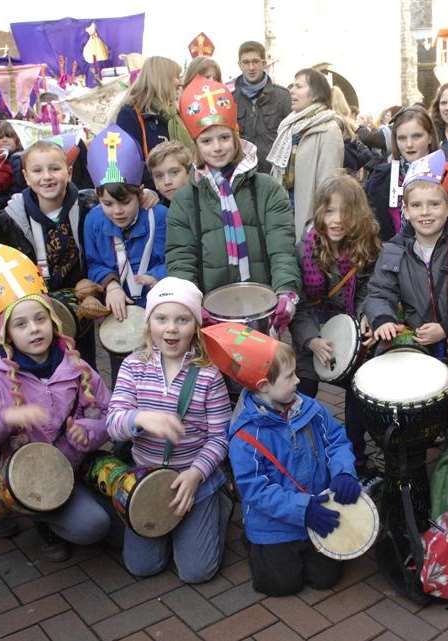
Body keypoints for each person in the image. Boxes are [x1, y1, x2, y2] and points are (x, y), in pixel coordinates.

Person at [0, 241, 112, 562]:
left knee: (115, 528)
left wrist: (90, 431)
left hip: (77, 464)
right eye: (21, 324)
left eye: (39, 319)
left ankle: (72, 502)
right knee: (93, 527)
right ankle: (42, 517)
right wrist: (5, 417)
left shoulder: (77, 367)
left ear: (53, 323)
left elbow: (109, 411)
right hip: (33, 476)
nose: (33, 329)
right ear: (7, 335)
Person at [206, 322, 359, 596]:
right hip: (274, 525)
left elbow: (336, 441)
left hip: (319, 508)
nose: (299, 380)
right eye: (290, 377)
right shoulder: (244, 435)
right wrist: (304, 510)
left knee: (325, 578)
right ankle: (254, 544)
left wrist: (344, 472)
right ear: (264, 385)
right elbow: (256, 490)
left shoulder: (310, 408)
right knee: (281, 585)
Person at [106, 277, 231, 581]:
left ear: (196, 326)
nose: (171, 328)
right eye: (161, 318)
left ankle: (219, 506)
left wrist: (197, 473)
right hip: (146, 480)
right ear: (148, 324)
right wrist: (141, 418)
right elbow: (112, 424)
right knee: (142, 567)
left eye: (182, 319)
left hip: (192, 479)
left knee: (196, 573)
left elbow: (220, 437)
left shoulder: (208, 374)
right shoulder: (133, 366)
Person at [165, 76, 301, 335]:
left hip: (263, 310)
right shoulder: (185, 200)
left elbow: (281, 249)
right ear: (196, 145)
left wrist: (286, 290)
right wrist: (191, 303)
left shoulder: (267, 189)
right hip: (211, 318)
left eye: (224, 138)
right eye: (206, 141)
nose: (217, 148)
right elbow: (181, 258)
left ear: (236, 136)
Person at [364, 149, 448, 357]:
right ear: (405, 210)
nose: (425, 212)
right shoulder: (393, 250)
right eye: (416, 205)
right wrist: (383, 318)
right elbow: (380, 292)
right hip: (417, 346)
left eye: (434, 204)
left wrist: (447, 327)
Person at [293, 174, 380, 474]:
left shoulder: (366, 243)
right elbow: (299, 303)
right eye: (329, 210)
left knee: (357, 388)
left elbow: (370, 287)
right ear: (319, 211)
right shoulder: (305, 246)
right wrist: (311, 341)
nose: (337, 219)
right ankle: (304, 453)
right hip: (311, 324)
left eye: (345, 211)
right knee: (301, 388)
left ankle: (355, 453)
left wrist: (366, 315)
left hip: (349, 323)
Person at [0, 140, 98, 367]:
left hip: (80, 311)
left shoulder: (89, 206)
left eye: (55, 168)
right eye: (37, 170)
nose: (47, 176)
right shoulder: (8, 221)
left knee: (83, 370)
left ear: (69, 172)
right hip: (35, 313)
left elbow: (120, 198)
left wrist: (148, 194)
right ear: (26, 177)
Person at [83, 125, 167, 384]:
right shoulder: (94, 220)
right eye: (108, 204)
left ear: (140, 194)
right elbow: (94, 261)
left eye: (125, 203)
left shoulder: (159, 217)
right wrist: (110, 285)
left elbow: (175, 258)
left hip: (156, 309)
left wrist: (157, 277)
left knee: (160, 371)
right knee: (123, 375)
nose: (117, 211)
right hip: (118, 314)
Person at [267, 68, 344, 238]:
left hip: (309, 220)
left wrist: (319, 225)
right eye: (292, 86)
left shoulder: (329, 129)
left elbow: (329, 185)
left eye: (299, 86)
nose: (291, 90)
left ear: (316, 94)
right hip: (284, 212)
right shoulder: (289, 127)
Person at [114, 56, 193, 187]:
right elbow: (128, 163)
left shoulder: (173, 114)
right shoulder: (130, 114)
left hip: (181, 192)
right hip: (152, 196)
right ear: (161, 79)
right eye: (176, 76)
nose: (179, 82)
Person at [364, 107, 440, 241]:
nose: (409, 144)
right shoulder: (381, 178)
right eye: (402, 138)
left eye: (417, 136)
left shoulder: (447, 174)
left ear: (430, 138)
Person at [231, 41, 291, 174]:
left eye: (255, 61)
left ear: (264, 64)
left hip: (276, 172)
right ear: (240, 65)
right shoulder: (231, 100)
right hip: (243, 173)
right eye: (246, 62)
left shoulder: (282, 97)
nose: (251, 67)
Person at [146, 140, 192, 207]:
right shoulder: (157, 213)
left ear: (189, 173)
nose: (167, 182)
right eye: (159, 176)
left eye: (174, 172)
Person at [0, 121, 25, 198]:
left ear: (18, 139)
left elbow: (17, 188)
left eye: (8, 136)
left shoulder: (17, 159)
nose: (4, 140)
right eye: (0, 137)